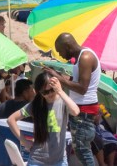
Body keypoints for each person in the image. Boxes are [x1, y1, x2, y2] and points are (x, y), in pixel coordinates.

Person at [45, 33, 99, 166]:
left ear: (68, 46)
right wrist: (60, 76)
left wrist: (58, 78)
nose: (61, 55)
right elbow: (77, 82)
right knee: (82, 150)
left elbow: (82, 88)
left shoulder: (86, 57)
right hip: (81, 110)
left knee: (82, 151)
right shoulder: (81, 58)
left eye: (60, 51)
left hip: (84, 112)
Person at [8, 72, 80, 166]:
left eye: (52, 90)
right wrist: (25, 142)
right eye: (45, 92)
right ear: (38, 92)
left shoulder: (63, 101)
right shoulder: (35, 104)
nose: (49, 94)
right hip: (37, 160)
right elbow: (11, 120)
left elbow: (75, 111)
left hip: (59, 161)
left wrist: (60, 91)